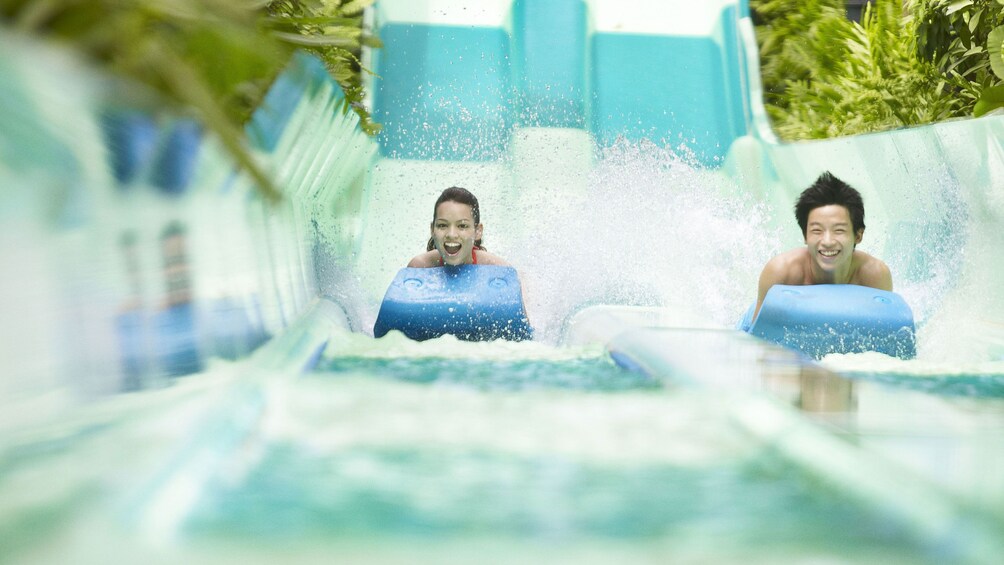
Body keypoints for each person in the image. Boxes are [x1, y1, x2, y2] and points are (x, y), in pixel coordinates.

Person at [751, 171, 892, 322]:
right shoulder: (782, 273)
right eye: (817, 230)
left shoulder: (873, 276)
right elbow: (756, 339)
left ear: (858, 235)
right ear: (805, 236)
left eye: (839, 230)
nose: (827, 241)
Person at [408, 186, 511, 268]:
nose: (451, 234)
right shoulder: (419, 267)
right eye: (442, 225)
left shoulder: (496, 268)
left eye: (462, 226)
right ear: (432, 230)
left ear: (478, 231)